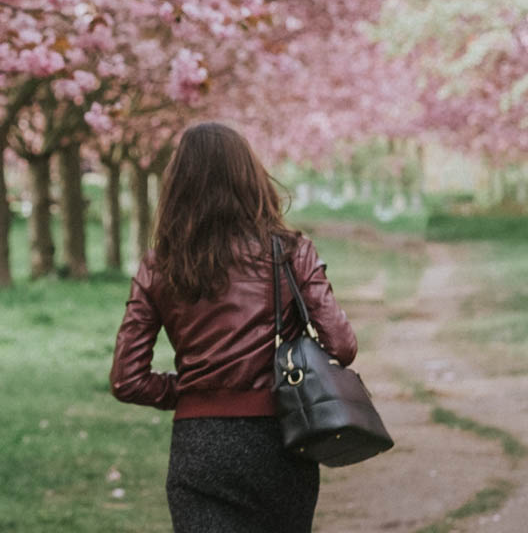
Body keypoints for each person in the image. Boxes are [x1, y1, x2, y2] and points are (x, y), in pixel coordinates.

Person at [109, 122, 357, 533]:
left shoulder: (159, 265)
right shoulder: (291, 251)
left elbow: (127, 380)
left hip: (198, 446)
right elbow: (342, 347)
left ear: (177, 186)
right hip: (279, 440)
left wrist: (189, 391)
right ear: (251, 178)